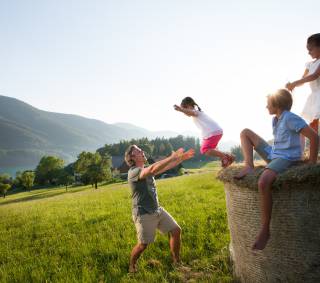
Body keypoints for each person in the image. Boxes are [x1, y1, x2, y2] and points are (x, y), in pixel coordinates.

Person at [235, 89, 319, 250]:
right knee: (245, 133)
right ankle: (248, 166)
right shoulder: (277, 119)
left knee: (263, 182)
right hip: (275, 154)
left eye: (269, 103)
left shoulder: (289, 118)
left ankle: (265, 229)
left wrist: (312, 163)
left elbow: (314, 137)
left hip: (286, 158)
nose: (266, 106)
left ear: (277, 104)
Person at [125, 145, 195, 273]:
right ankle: (132, 265)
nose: (142, 151)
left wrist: (180, 158)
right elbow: (152, 169)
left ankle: (176, 263)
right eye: (138, 150)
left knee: (176, 231)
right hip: (143, 213)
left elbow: (163, 167)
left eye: (141, 149)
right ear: (132, 157)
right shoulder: (133, 172)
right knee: (143, 245)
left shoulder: (145, 169)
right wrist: (171, 157)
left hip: (157, 209)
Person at [174, 97, 234, 167]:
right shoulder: (197, 113)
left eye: (185, 108)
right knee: (207, 150)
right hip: (213, 132)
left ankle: (226, 156)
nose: (184, 113)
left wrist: (181, 110)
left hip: (213, 132)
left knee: (205, 150)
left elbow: (191, 112)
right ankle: (225, 159)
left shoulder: (196, 112)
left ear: (189, 106)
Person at [286, 33, 320, 136]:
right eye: (307, 50)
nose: (309, 52)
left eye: (311, 49)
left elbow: (315, 76)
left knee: (315, 120)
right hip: (314, 97)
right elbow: (303, 79)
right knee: (313, 123)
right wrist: (293, 84)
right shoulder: (309, 64)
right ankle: (313, 149)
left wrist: (296, 83)